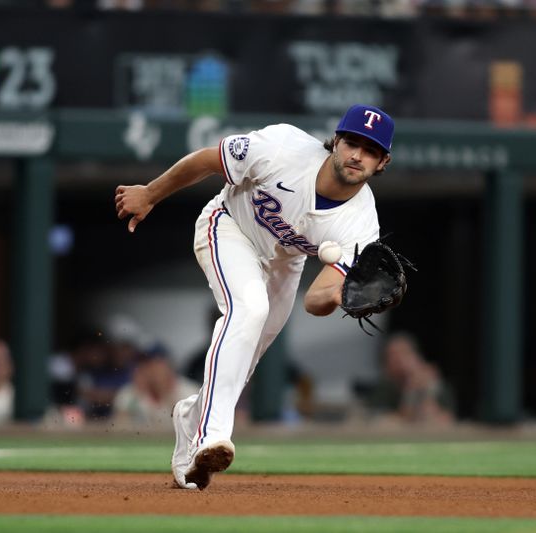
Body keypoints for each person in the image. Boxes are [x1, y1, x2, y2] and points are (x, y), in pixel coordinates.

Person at [115, 103, 394, 490]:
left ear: (382, 162)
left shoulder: (362, 224)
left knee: (243, 357)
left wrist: (344, 295)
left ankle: (190, 419)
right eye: (352, 142)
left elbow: (314, 302)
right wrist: (150, 194)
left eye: (371, 150)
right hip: (229, 228)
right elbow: (207, 160)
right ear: (336, 141)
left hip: (285, 262)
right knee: (249, 310)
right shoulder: (283, 146)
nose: (357, 155)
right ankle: (211, 437)